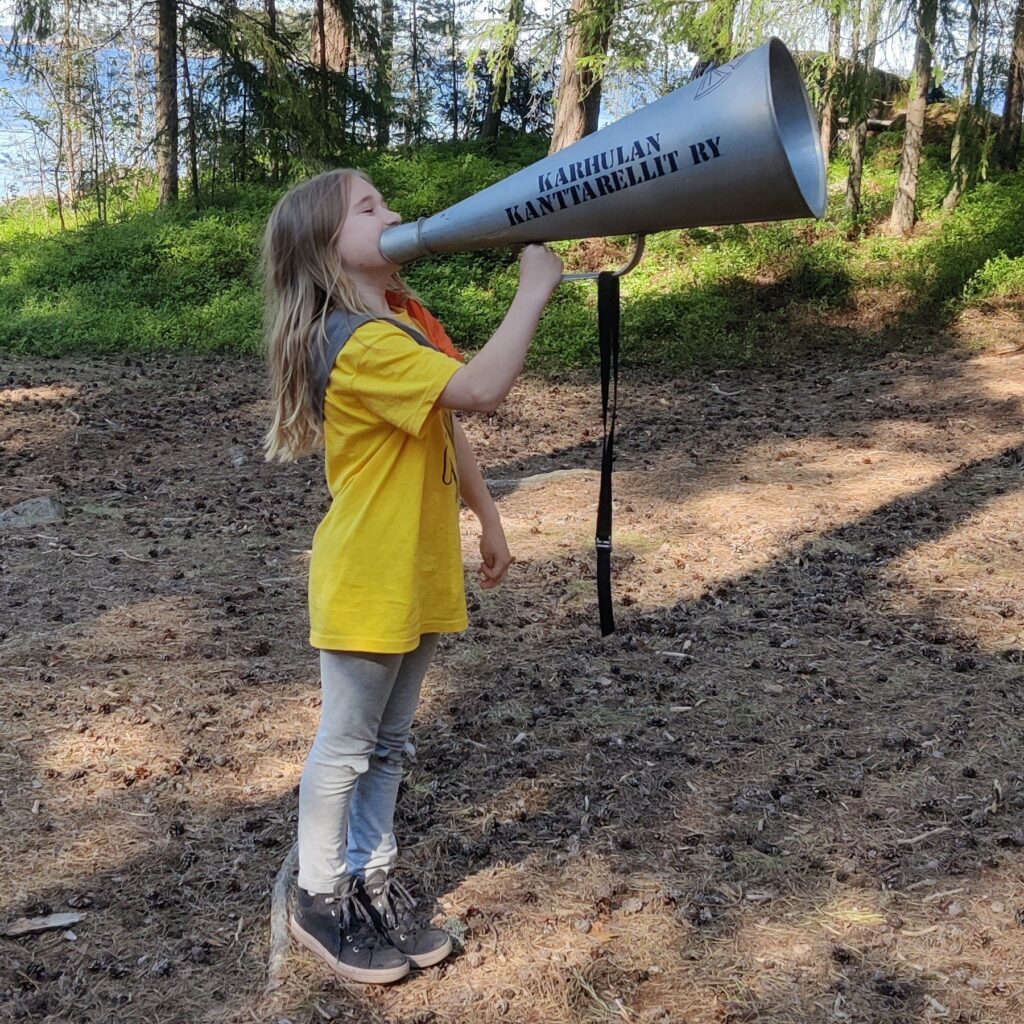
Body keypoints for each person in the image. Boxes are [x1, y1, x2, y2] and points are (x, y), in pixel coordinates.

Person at [261, 168, 562, 984]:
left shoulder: (395, 323)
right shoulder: (355, 341)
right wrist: (534, 289)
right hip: (368, 576)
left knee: (389, 744)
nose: (393, 216)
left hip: (417, 567)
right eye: (370, 209)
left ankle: (371, 876)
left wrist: (487, 514)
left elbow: (448, 416)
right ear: (328, 250)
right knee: (349, 745)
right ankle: (321, 896)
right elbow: (482, 390)